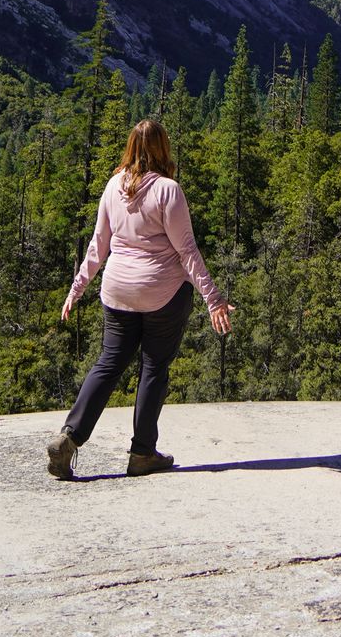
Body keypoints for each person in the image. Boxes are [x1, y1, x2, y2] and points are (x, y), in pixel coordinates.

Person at [47, 117, 232, 480]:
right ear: (164, 148)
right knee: (153, 368)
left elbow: (97, 247)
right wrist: (213, 299)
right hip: (162, 293)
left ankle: (69, 438)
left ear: (131, 148)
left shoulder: (113, 186)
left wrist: (76, 289)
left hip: (117, 291)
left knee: (109, 362)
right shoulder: (168, 190)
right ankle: (142, 453)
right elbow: (187, 252)